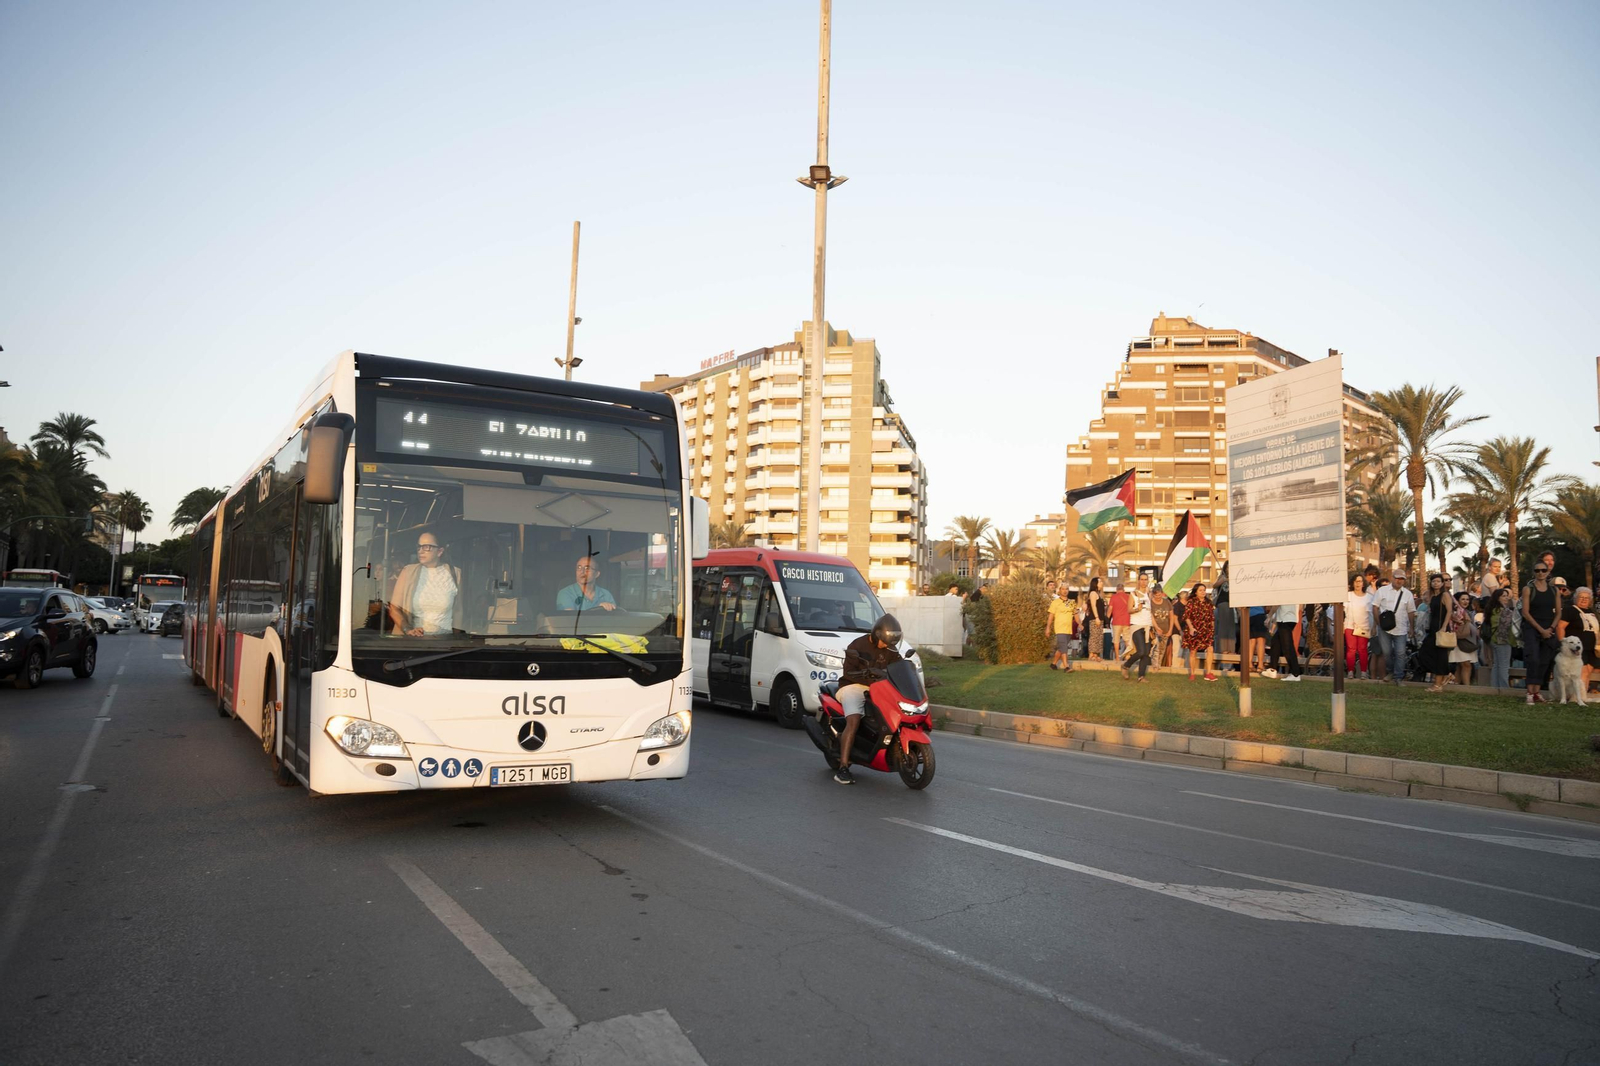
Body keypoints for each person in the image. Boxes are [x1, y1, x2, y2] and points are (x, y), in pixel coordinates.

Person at [832, 614, 904, 784]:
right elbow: (848, 673)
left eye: (889, 643)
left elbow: (900, 667)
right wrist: (868, 676)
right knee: (854, 720)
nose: (886, 645)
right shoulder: (857, 646)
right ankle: (843, 768)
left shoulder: (891, 649)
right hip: (853, 686)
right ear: (876, 635)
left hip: (880, 689)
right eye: (884, 642)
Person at [386, 532, 463, 636]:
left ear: (440, 551)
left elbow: (458, 611)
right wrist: (408, 629)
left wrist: (456, 638)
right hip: (416, 640)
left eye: (427, 547)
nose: (421, 551)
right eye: (419, 547)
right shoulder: (408, 572)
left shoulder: (455, 573)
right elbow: (394, 608)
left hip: (444, 640)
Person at [1521, 562, 1560, 704]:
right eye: (1537, 570)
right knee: (1533, 659)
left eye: (1543, 570)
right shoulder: (1528, 589)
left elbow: (1558, 612)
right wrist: (1541, 630)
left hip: (1549, 628)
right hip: (1532, 628)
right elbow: (1525, 612)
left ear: (1548, 572)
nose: (1541, 573)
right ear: (1534, 572)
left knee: (1544, 661)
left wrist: (1550, 629)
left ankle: (1536, 692)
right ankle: (1529, 692)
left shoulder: (1554, 590)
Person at [1370, 568, 1415, 685]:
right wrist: (1377, 624)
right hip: (1384, 627)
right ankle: (1391, 671)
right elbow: (1375, 607)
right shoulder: (1382, 591)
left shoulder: (1408, 594)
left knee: (1400, 653)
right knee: (1386, 652)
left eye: (1402, 579)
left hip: (1401, 628)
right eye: (1397, 578)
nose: (1399, 581)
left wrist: (1411, 627)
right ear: (1392, 578)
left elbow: (1411, 611)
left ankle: (1398, 677)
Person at [1414, 573, 1456, 693]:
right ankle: (1446, 674)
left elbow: (1449, 611)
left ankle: (1437, 685)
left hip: (1441, 628)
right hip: (1432, 628)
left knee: (1440, 656)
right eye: (1433, 581)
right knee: (1424, 653)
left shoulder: (1445, 595)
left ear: (1442, 583)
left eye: (1438, 581)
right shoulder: (1433, 596)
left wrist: (1444, 627)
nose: (1436, 583)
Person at [1558, 585, 1599, 695]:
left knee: (1588, 672)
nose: (1584, 600)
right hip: (1577, 648)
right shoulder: (1570, 610)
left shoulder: (1591, 611)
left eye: (1586, 598)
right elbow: (1560, 627)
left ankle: (1582, 695)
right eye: (1581, 597)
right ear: (1575, 598)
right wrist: (1562, 642)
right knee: (1582, 672)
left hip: (1592, 648)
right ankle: (1577, 696)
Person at [1486, 587, 1521, 692]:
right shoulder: (1505, 611)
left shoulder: (1492, 610)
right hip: (1503, 640)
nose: (1507, 598)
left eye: (1507, 596)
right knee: (1504, 666)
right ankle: (1504, 689)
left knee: (1496, 665)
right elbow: (1509, 626)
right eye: (1504, 596)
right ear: (1498, 598)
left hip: (1493, 639)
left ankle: (1495, 687)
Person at [1183, 582, 1218, 681]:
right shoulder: (1191, 602)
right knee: (1193, 651)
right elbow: (1186, 617)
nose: (1203, 592)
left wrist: (1212, 629)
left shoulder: (1208, 603)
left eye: (1204, 590)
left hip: (1206, 630)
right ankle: (1192, 673)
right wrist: (1191, 628)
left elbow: (1212, 617)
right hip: (1194, 629)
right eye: (1200, 590)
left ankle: (1208, 673)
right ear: (1196, 592)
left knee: (1210, 649)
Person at [1262, 602, 1302, 680]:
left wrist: (1269, 616)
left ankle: (1295, 673)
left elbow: (1276, 604)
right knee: (1276, 642)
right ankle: (1272, 669)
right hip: (1291, 618)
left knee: (1287, 647)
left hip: (1285, 619)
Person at [1122, 579, 1153, 681]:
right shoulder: (1133, 594)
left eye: (1146, 580)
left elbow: (1150, 612)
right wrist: (1136, 609)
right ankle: (1126, 665)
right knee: (1141, 651)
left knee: (1146, 653)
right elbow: (1129, 610)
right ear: (1139, 581)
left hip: (1148, 626)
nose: (1144, 581)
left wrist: (1154, 627)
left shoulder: (1149, 595)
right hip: (1137, 625)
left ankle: (1141, 676)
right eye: (1142, 579)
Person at [1449, 590, 1479, 686]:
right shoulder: (1455, 613)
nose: (1466, 601)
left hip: (1468, 641)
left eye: (1467, 599)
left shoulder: (1468, 612)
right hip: (1460, 641)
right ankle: (1467, 686)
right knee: (1466, 664)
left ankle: (1457, 684)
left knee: (1461, 665)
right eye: (1463, 599)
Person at [1345, 573, 1372, 679]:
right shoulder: (1348, 595)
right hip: (1350, 626)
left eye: (1360, 581)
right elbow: (1343, 611)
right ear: (1352, 583)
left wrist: (1373, 627)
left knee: (1362, 650)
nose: (1358, 583)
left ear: (1363, 583)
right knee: (1351, 650)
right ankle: (1350, 671)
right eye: (1356, 581)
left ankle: (1364, 672)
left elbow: (1371, 614)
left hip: (1364, 627)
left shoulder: (1369, 597)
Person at [1046, 585, 1076, 672]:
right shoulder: (1055, 602)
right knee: (1064, 648)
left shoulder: (1071, 602)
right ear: (1059, 590)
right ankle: (1066, 667)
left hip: (1068, 629)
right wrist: (1048, 627)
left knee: (1062, 648)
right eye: (1063, 589)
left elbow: (1075, 614)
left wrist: (1080, 624)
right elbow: (1051, 616)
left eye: (1066, 589)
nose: (1065, 591)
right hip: (1060, 629)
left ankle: (1053, 664)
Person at [1212, 563, 1236, 665]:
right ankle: (1223, 649)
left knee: (1231, 626)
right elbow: (1214, 585)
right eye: (1228, 567)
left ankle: (1231, 649)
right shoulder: (1222, 576)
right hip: (1223, 602)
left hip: (1232, 603)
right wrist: (1224, 580)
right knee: (1223, 626)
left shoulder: (1235, 577)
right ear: (1225, 568)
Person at [1149, 586, 1173, 669]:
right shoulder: (1150, 603)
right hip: (1155, 630)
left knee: (1162, 649)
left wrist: (1170, 630)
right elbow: (1151, 616)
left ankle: (1158, 665)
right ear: (1153, 595)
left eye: (1159, 595)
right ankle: (1154, 665)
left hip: (1166, 629)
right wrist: (1157, 628)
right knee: (1156, 648)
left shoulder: (1167, 602)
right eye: (1156, 595)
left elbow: (1171, 616)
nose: (1158, 597)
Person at [1110, 582, 1132, 661]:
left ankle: (1117, 657)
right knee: (1127, 639)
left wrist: (1107, 618)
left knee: (1116, 640)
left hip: (1116, 621)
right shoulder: (1128, 597)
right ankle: (1127, 656)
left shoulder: (1113, 597)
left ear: (1116, 590)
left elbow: (1110, 609)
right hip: (1127, 621)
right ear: (1124, 590)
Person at [1086, 577, 1107, 661]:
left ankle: (1096, 654)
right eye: (1100, 582)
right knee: (1094, 636)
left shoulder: (1099, 594)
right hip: (1095, 618)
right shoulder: (1093, 593)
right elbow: (1093, 606)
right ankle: (1091, 654)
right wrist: (1096, 617)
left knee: (1099, 637)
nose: (1102, 583)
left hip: (1100, 618)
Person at [1247, 604, 1268, 674]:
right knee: (1260, 640)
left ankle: (1249, 665)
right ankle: (1260, 665)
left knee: (1251, 640)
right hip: (1259, 614)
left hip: (1249, 615)